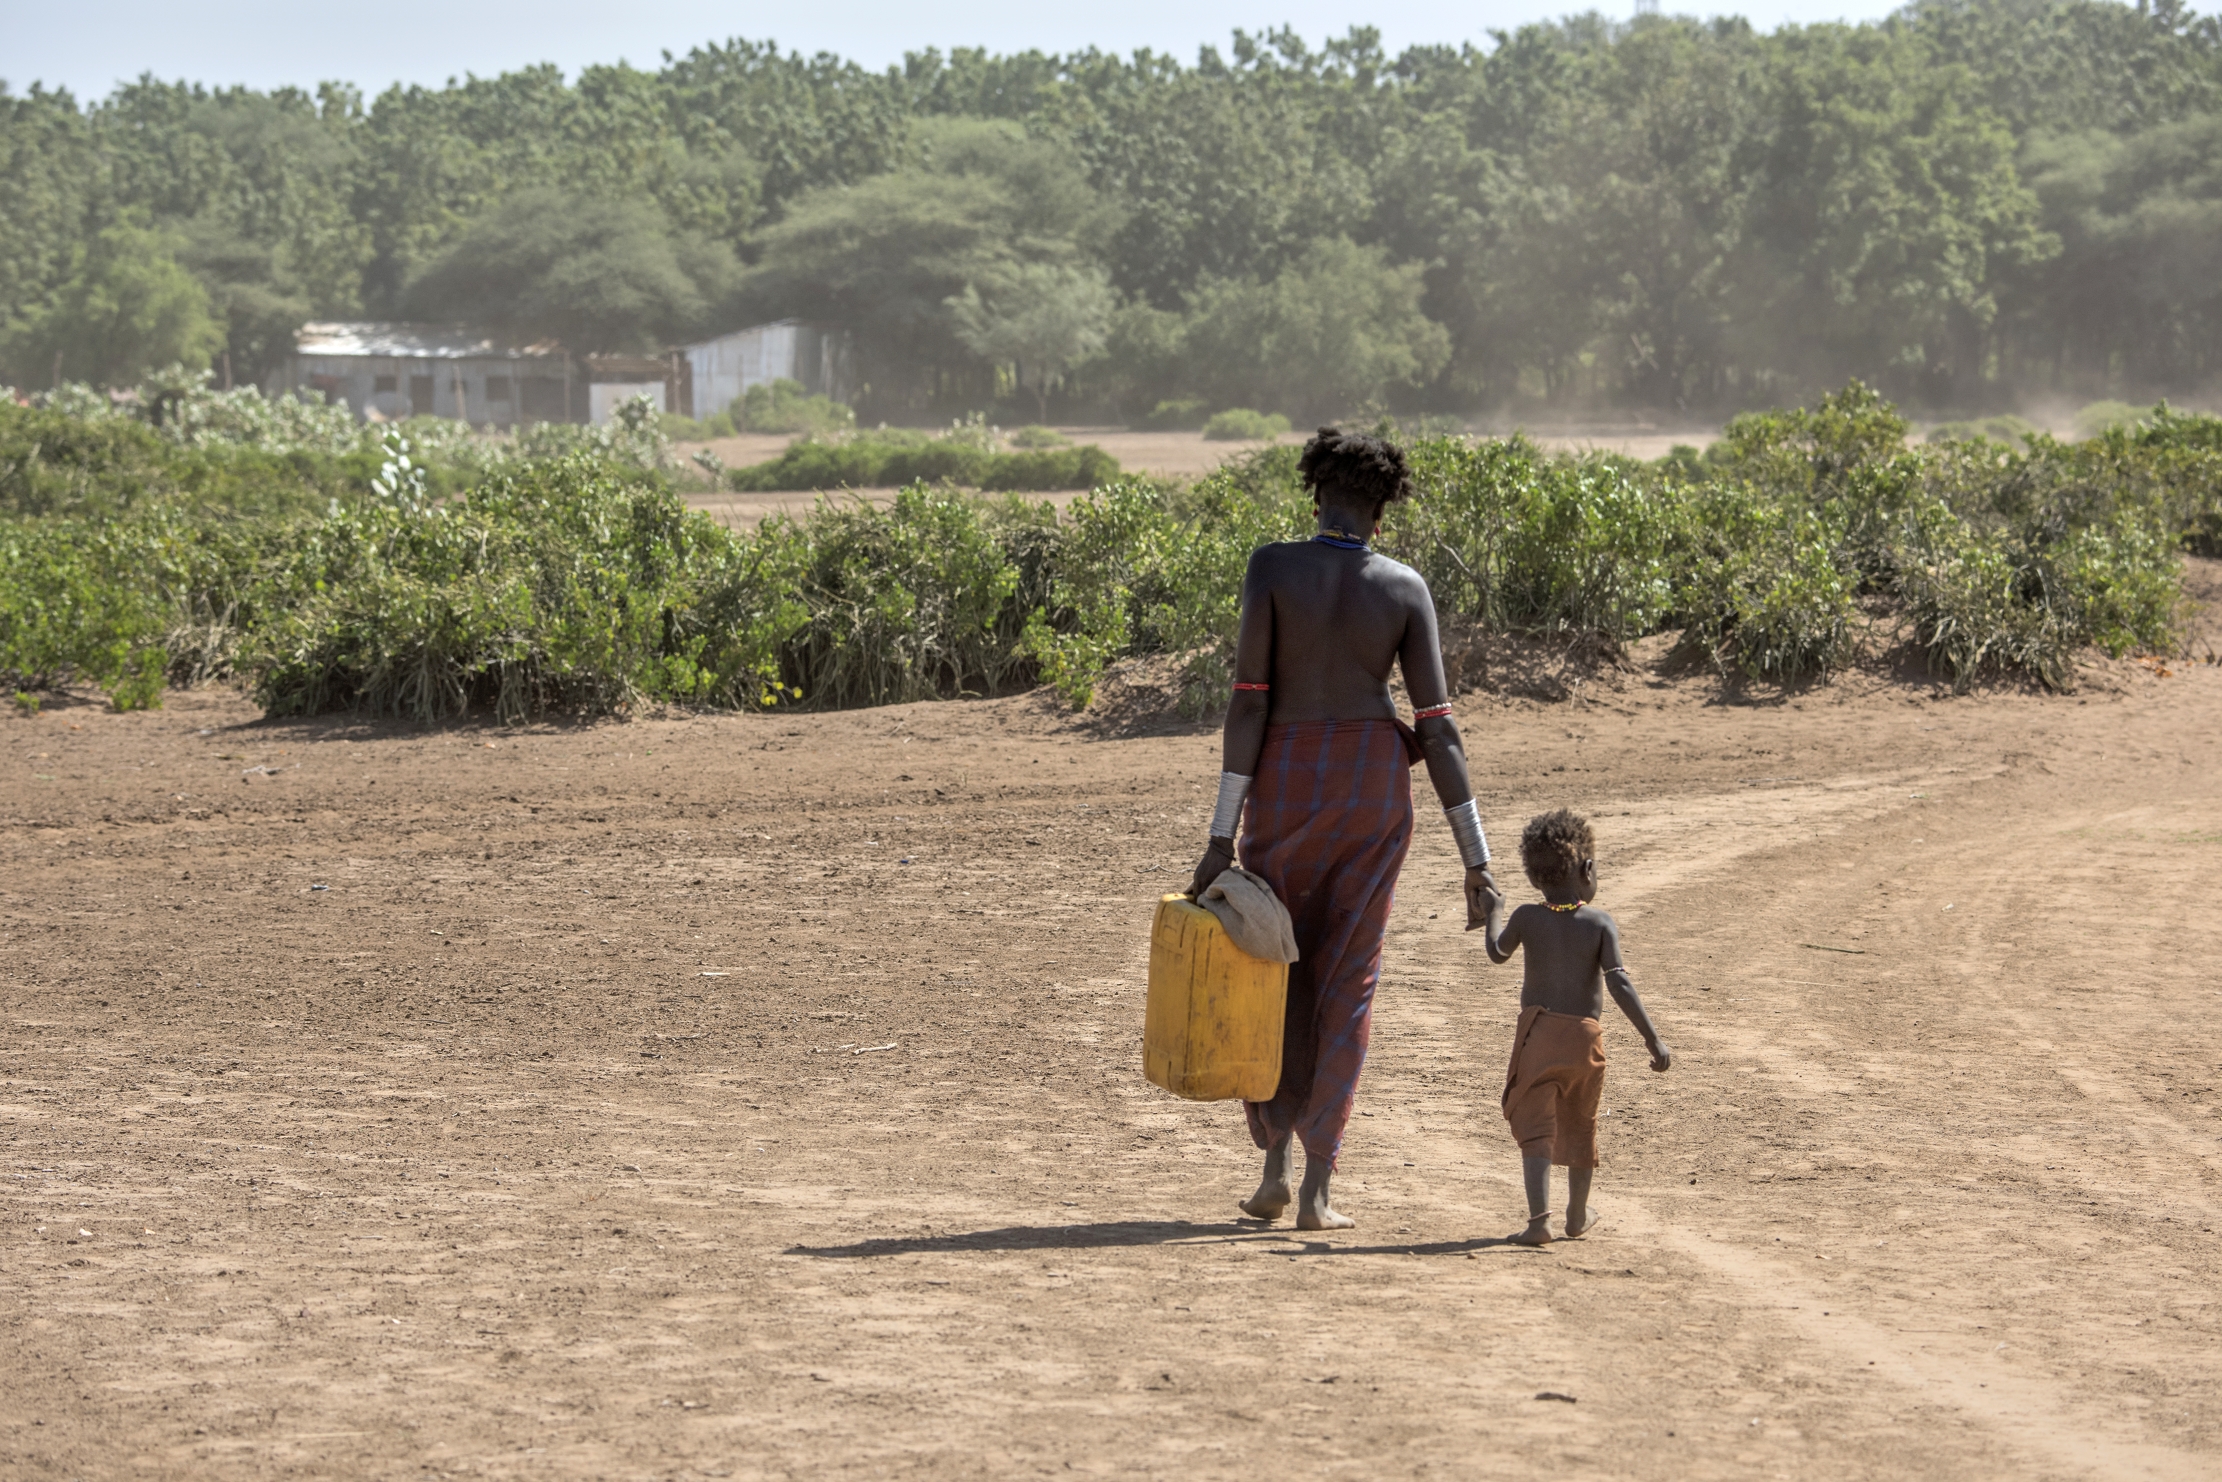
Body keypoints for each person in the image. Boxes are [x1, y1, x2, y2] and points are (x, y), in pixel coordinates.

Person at [1188, 427, 1498, 1231]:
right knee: (1349, 978)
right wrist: (1478, 858)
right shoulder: (1403, 588)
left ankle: (1273, 1169)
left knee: (1273, 962)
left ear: (1314, 495)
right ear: (1383, 512)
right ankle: (1321, 1187)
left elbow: (1250, 699)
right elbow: (1437, 728)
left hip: (1287, 781)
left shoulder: (1273, 568)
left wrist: (1222, 836)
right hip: (1371, 785)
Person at [1477, 809, 1672, 1246]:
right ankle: (1577, 1215)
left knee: (1536, 1126)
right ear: (1587, 869)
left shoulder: (1527, 917)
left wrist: (1495, 910)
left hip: (1539, 1036)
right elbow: (1618, 981)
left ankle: (1538, 1221)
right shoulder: (1599, 923)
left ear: (1534, 877)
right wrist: (1652, 1036)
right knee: (1582, 1123)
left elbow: (1496, 952)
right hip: (1585, 1040)